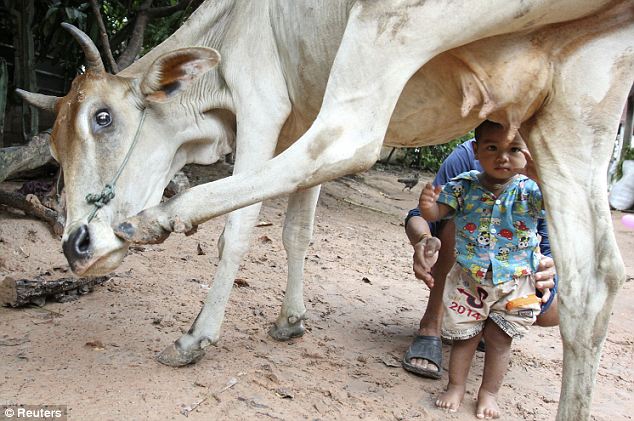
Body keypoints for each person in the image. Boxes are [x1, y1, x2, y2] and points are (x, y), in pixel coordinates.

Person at [414, 120, 550, 418]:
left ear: (528, 153)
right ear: (476, 150)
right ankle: (456, 386)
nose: (503, 157)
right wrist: (428, 208)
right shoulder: (464, 185)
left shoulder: (531, 189)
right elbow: (439, 214)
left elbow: (554, 204)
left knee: (500, 341)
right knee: (465, 338)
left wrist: (537, 171)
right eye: (492, 148)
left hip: (516, 280)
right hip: (470, 278)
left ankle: (488, 393)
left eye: (514, 149)